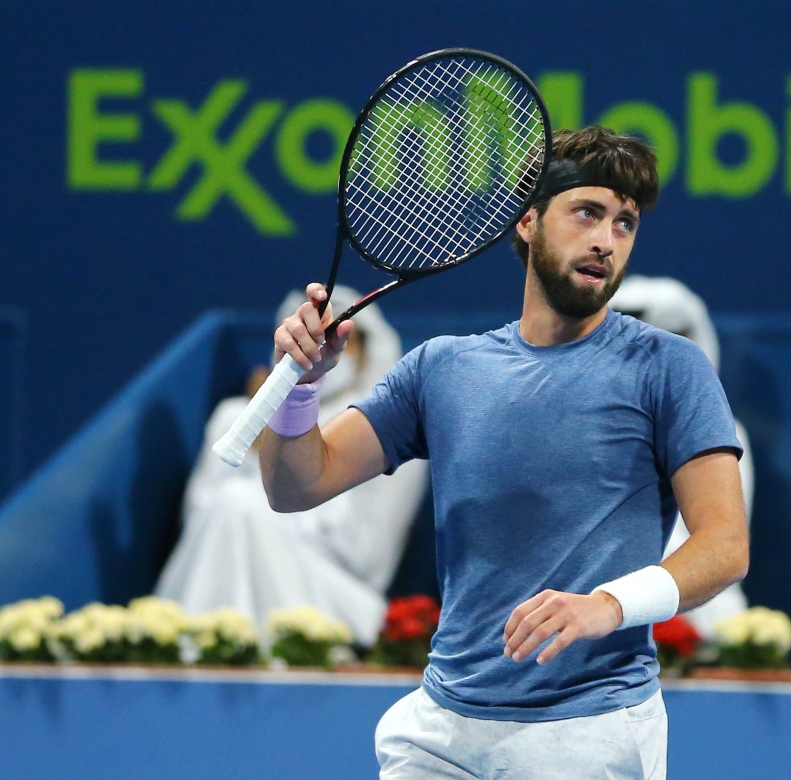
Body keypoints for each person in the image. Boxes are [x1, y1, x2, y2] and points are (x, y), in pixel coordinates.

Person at [261, 127, 748, 778]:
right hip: (440, 729)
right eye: (587, 212)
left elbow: (724, 546)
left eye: (625, 223)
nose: (606, 239)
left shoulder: (669, 368)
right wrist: (298, 387)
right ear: (526, 221)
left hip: (588, 730)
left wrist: (608, 604)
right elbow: (294, 486)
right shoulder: (442, 368)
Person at [155, 286, 429, 647]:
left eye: (341, 336)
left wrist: (279, 458)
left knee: (240, 504)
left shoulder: (388, 430)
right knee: (234, 504)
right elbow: (201, 521)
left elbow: (364, 554)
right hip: (215, 573)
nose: (327, 346)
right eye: (316, 335)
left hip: (333, 590)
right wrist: (266, 428)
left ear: (368, 349)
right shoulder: (235, 418)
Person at [608, 275, 755, 640]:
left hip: (699, 623)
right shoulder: (587, 429)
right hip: (597, 623)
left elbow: (717, 546)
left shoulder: (722, 430)